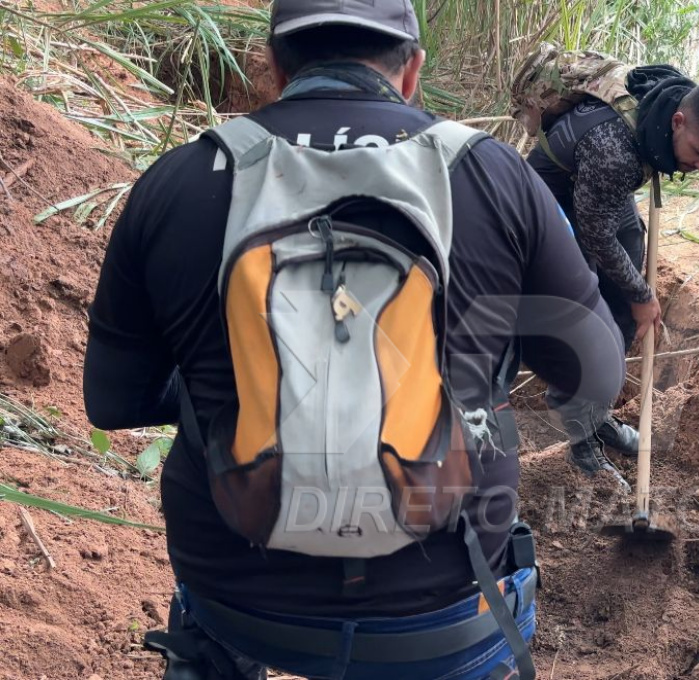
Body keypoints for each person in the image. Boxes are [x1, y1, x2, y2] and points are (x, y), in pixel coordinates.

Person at [83, 1, 627, 678]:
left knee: (214, 630)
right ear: (412, 73)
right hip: (445, 608)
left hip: (239, 597)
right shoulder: (495, 175)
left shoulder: (180, 180)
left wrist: (255, 388)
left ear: (273, 69)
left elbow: (114, 401)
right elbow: (596, 381)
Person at [526, 72, 699, 481]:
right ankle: (581, 432)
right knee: (585, 309)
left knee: (628, 279)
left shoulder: (673, 104)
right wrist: (643, 294)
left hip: (599, 191)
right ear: (678, 122)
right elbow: (595, 236)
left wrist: (636, 295)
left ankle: (594, 411)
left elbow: (611, 231)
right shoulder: (615, 152)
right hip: (550, 195)